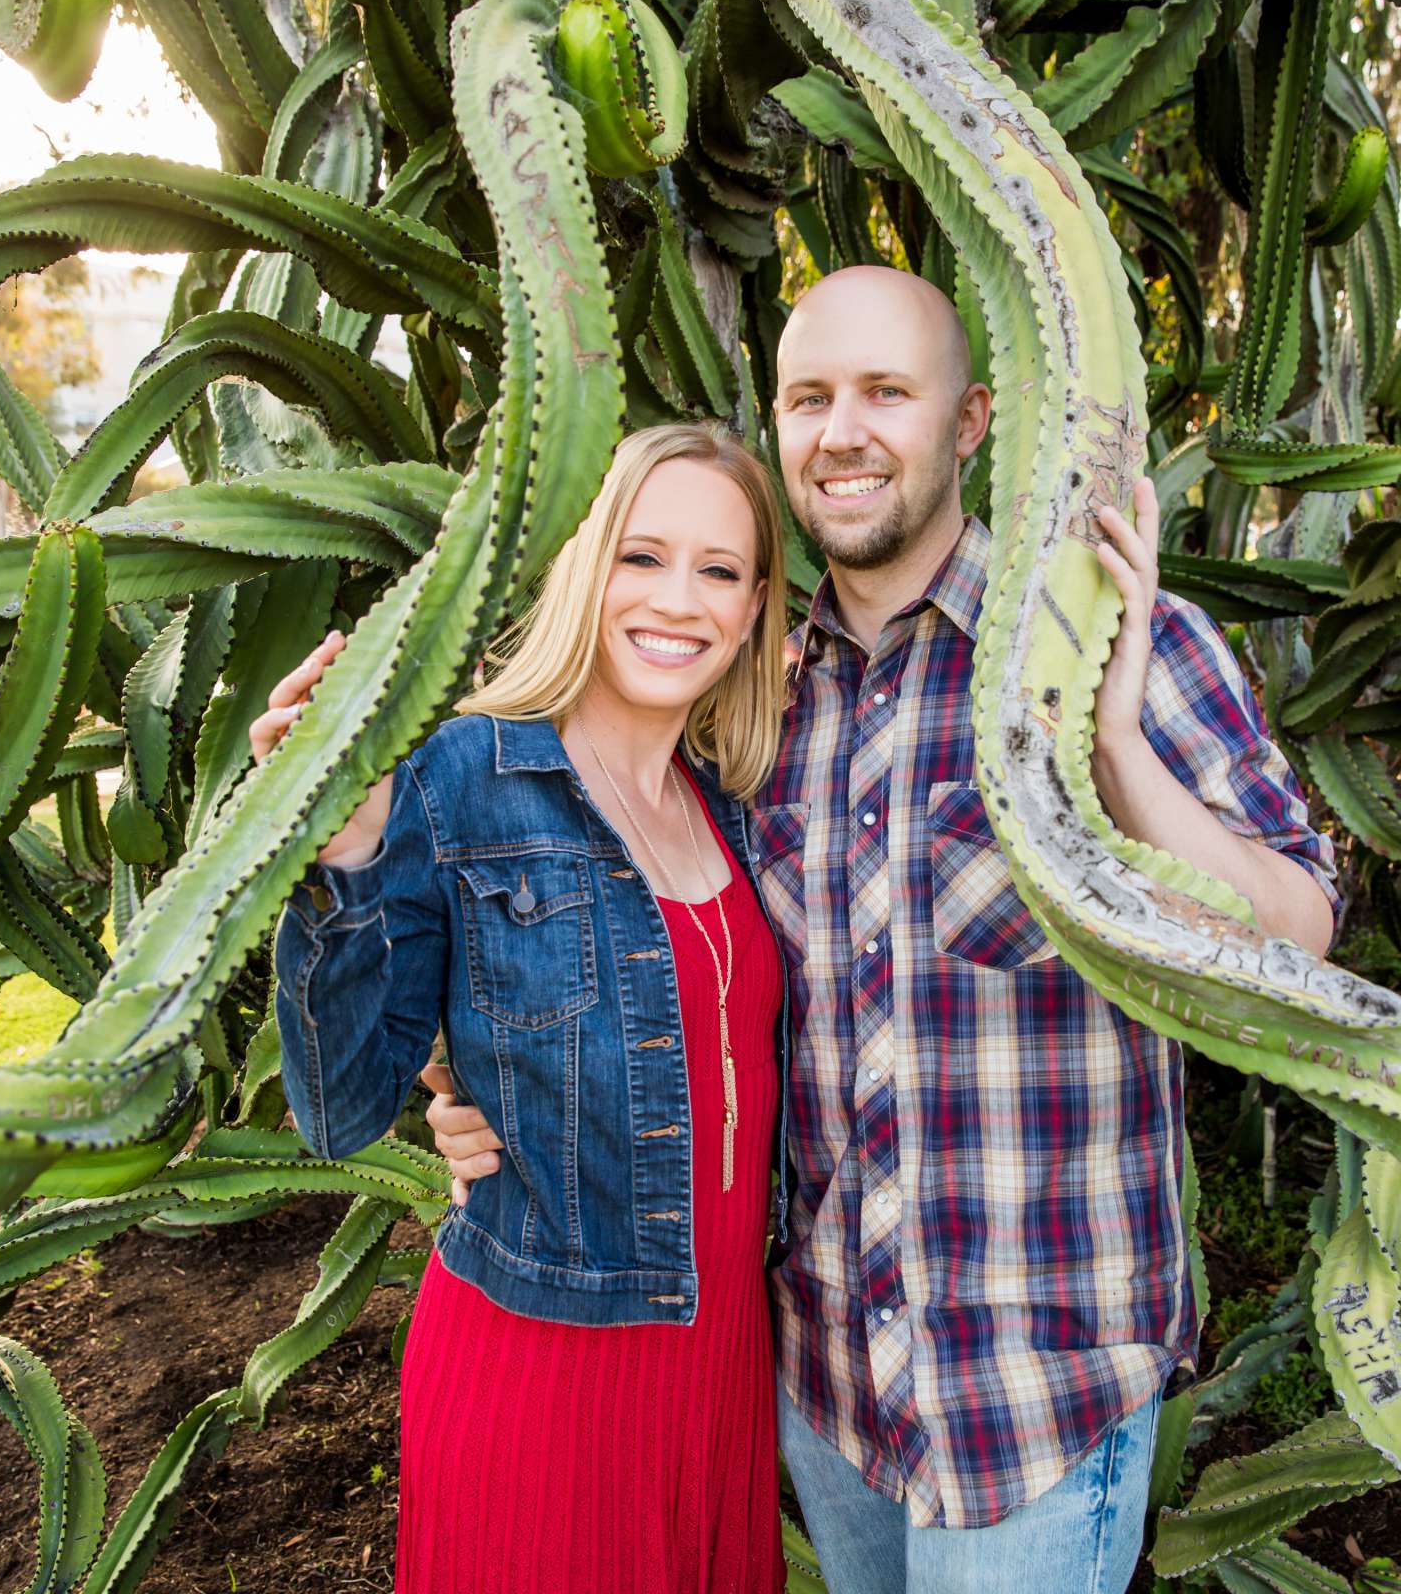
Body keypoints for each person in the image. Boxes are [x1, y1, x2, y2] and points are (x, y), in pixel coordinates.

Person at [430, 266, 1341, 1593]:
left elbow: (1297, 939)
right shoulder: (747, 695)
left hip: (1036, 1389)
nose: (842, 431)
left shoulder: (1109, 638)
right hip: (827, 1383)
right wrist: (462, 1090)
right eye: (810, 397)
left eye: (886, 393)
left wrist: (1112, 744)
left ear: (969, 422)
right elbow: (613, 935)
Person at [255, 422, 797, 1593]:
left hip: (717, 1365)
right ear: (585, 567)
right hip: (548, 1371)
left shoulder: (734, 809)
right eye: (642, 557)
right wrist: (343, 858)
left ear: (755, 609)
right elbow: (339, 1106)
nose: (677, 600)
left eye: (718, 569)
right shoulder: (463, 776)